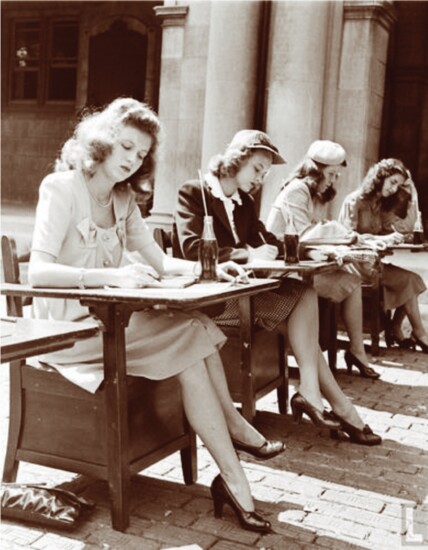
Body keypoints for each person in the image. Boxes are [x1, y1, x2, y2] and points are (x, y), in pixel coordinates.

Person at [27, 98, 289, 534]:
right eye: (125, 147)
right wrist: (110, 278)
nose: (132, 161)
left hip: (110, 324)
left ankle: (234, 471)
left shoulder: (124, 198)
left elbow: (160, 261)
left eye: (141, 153)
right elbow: (38, 271)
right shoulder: (61, 187)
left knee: (199, 325)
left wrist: (210, 268)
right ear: (100, 143)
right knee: (191, 332)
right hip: (67, 333)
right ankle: (236, 453)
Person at [173, 129, 381, 446]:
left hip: (244, 296)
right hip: (213, 302)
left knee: (303, 302)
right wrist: (246, 254)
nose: (260, 178)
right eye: (257, 169)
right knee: (303, 304)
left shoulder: (243, 202)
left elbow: (268, 239)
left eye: (265, 173)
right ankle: (334, 404)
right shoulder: (194, 192)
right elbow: (190, 249)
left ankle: (321, 397)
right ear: (236, 160)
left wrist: (308, 251)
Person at [266, 140, 380, 378]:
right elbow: (307, 234)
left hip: (300, 263)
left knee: (351, 278)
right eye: (330, 174)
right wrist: (348, 237)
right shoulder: (297, 189)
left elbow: (317, 234)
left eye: (337, 175)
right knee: (350, 281)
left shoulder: (313, 193)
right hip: (277, 267)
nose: (333, 180)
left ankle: (356, 351)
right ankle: (332, 354)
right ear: (314, 170)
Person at [338, 158, 428, 353]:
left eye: (399, 185)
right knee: (410, 281)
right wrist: (378, 239)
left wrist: (412, 195)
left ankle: (398, 329)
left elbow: (404, 228)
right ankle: (419, 333)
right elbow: (346, 237)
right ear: (380, 177)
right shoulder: (355, 201)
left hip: (373, 265)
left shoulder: (380, 204)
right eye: (393, 182)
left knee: (413, 279)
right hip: (355, 266)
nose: (394, 189)